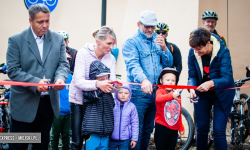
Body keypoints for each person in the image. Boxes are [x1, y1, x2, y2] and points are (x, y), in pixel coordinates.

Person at [6, 3, 69, 150]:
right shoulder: (15, 40)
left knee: (41, 145)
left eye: (47, 21)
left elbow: (63, 64)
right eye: (40, 21)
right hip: (22, 105)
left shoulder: (58, 39)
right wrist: (35, 83)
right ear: (30, 21)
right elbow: (13, 70)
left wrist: (60, 78)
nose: (45, 25)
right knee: (17, 146)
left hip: (47, 105)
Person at [122, 10, 173, 150]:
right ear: (139, 24)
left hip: (156, 93)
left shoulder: (158, 40)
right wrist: (144, 80)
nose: (150, 29)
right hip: (139, 93)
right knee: (135, 131)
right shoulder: (131, 42)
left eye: (153, 26)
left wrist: (164, 48)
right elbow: (133, 64)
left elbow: (168, 65)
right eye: (147, 26)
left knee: (147, 131)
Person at [69, 26, 119, 150]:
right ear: (98, 41)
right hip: (79, 102)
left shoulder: (111, 58)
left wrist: (116, 86)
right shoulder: (83, 53)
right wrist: (98, 84)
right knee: (77, 142)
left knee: (95, 141)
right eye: (109, 43)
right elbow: (78, 82)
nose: (111, 47)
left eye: (113, 44)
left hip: (97, 104)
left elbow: (110, 84)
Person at [188, 27, 235, 149]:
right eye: (194, 49)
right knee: (201, 128)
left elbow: (228, 78)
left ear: (208, 43)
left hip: (222, 93)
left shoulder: (223, 52)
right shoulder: (192, 52)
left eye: (199, 49)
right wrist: (191, 87)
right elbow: (192, 75)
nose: (196, 52)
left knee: (218, 131)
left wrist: (211, 83)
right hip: (203, 93)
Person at [81, 60, 120, 150]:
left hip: (105, 132)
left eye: (107, 78)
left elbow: (111, 106)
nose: (106, 82)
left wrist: (116, 88)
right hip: (92, 132)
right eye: (102, 79)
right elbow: (92, 97)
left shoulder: (108, 93)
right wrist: (101, 89)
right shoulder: (89, 92)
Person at [154, 68, 184, 150]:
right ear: (161, 81)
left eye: (173, 80)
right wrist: (171, 96)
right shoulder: (160, 91)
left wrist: (180, 127)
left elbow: (179, 112)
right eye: (167, 80)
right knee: (161, 147)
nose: (170, 82)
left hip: (174, 128)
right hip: (161, 126)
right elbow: (158, 99)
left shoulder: (177, 94)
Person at [50, 55, 73, 150]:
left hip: (69, 112)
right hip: (57, 113)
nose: (67, 62)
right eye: (65, 60)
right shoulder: (53, 78)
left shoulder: (71, 77)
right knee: (55, 136)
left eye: (68, 60)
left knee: (66, 136)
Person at [109, 84, 139, 150]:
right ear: (116, 93)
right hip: (111, 138)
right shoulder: (112, 105)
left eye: (126, 93)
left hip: (125, 139)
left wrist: (134, 139)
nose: (123, 95)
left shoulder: (132, 107)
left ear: (130, 94)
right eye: (120, 92)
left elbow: (135, 123)